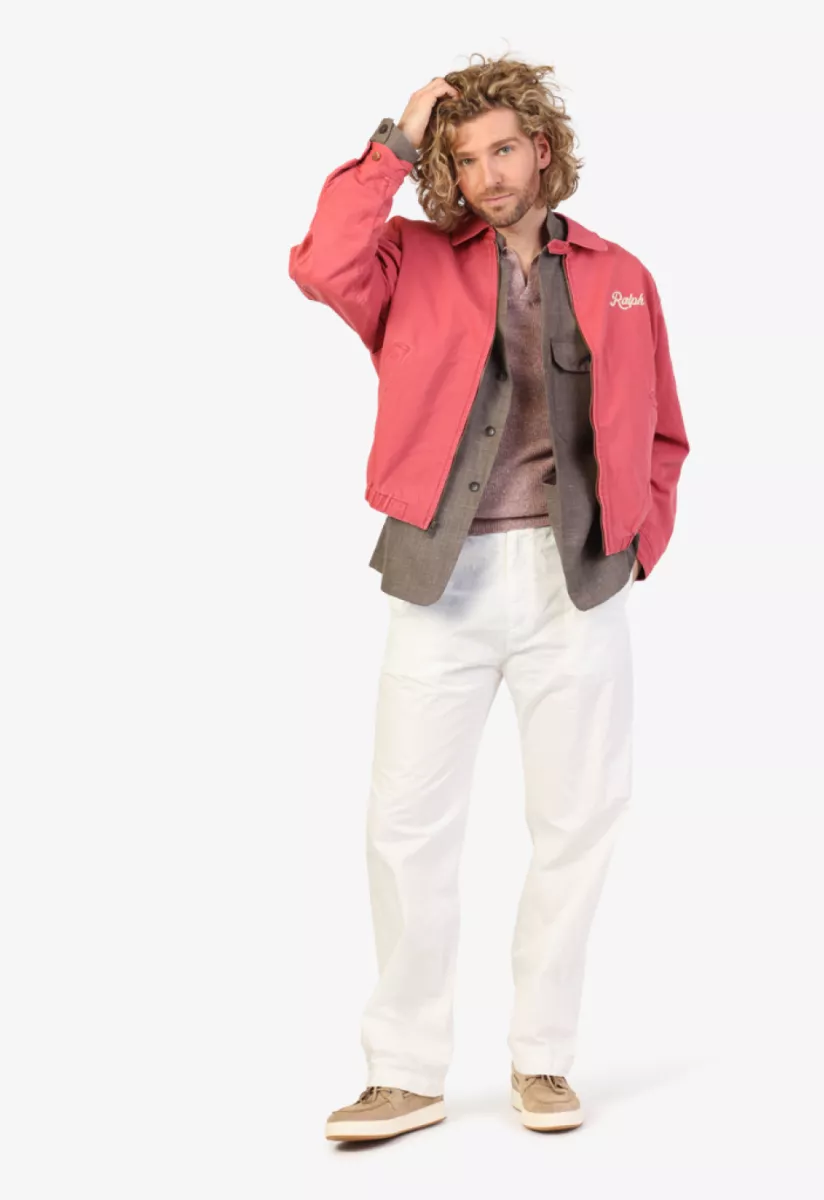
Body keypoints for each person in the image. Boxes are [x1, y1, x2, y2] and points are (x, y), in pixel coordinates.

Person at [288, 52, 690, 1140]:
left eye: (502, 149)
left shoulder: (621, 272)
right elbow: (321, 263)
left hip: (578, 581)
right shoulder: (410, 260)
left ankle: (543, 1058)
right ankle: (405, 1070)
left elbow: (664, 429)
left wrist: (638, 544)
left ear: (542, 150)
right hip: (444, 578)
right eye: (464, 159)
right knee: (406, 824)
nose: (486, 175)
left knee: (578, 820)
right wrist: (395, 143)